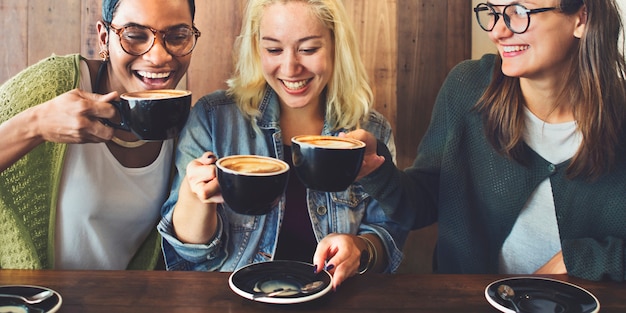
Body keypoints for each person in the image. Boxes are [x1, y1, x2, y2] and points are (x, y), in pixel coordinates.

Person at [348, 0, 626, 282]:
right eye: (493, 12)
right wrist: (377, 171)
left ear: (581, 18)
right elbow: (422, 203)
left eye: (519, 11)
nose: (497, 31)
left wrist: (577, 260)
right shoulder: (467, 87)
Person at [158, 0, 408, 288]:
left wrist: (360, 248)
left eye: (309, 49)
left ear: (336, 46)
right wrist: (195, 195)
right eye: (274, 49)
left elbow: (388, 234)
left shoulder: (371, 130)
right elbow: (189, 253)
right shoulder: (213, 118)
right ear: (256, 48)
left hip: (335, 297)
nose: (290, 68)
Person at [0, 0, 200, 270]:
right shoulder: (56, 84)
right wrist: (36, 125)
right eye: (135, 36)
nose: (158, 56)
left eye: (177, 37)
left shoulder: (182, 123)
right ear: (104, 38)